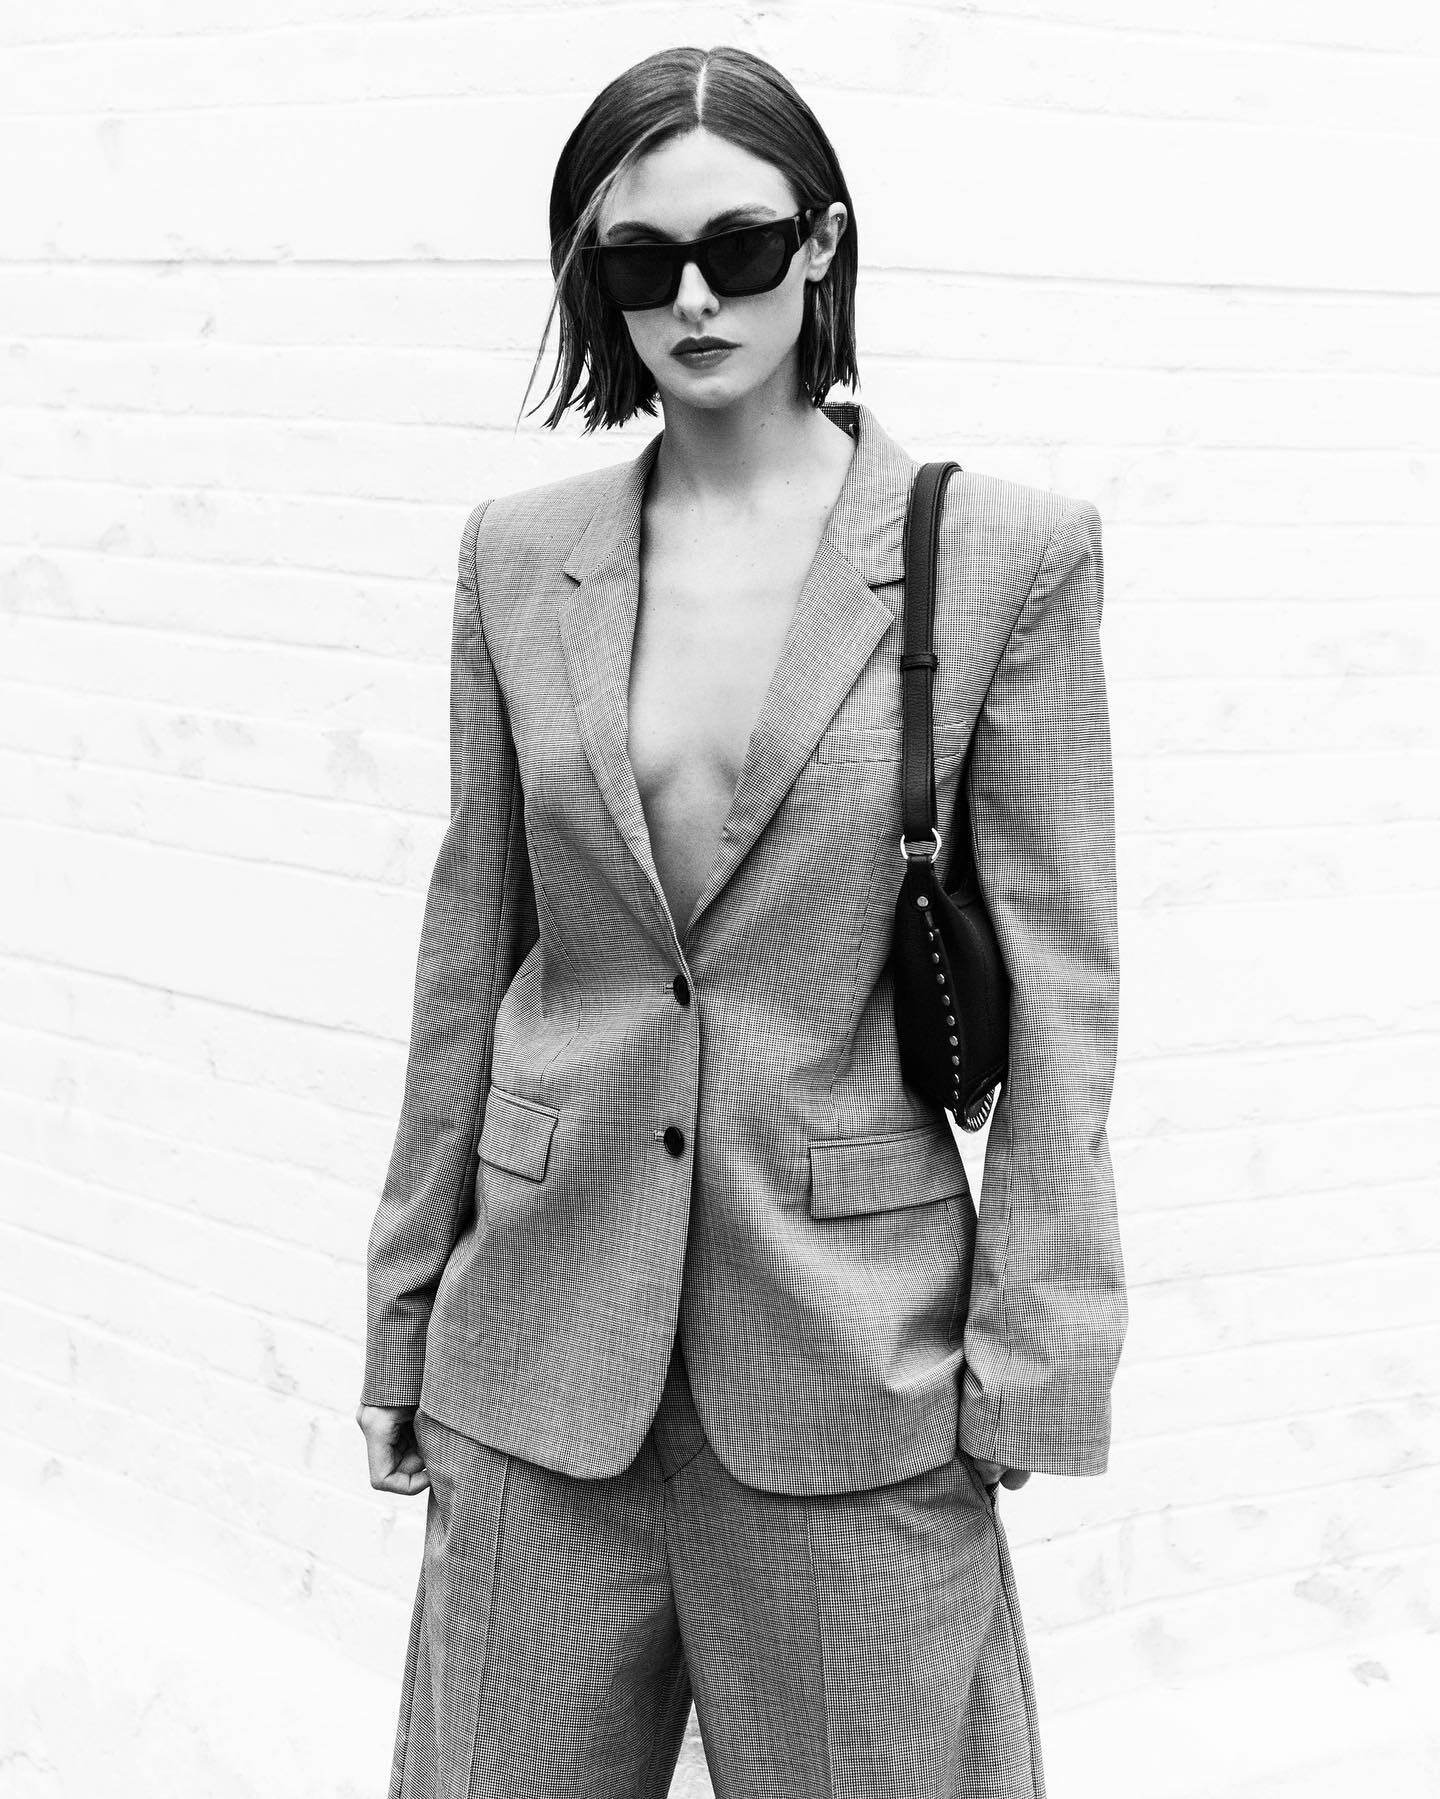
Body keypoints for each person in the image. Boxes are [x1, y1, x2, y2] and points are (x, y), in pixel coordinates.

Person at [356, 43, 1125, 1799]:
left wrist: (1032, 1360)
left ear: (824, 244)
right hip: (536, 1359)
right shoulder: (515, 557)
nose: (695, 299)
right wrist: (402, 1312)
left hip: (851, 1366)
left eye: (743, 247)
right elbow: (471, 949)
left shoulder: (1005, 558)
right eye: (643, 263)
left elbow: (1067, 993)